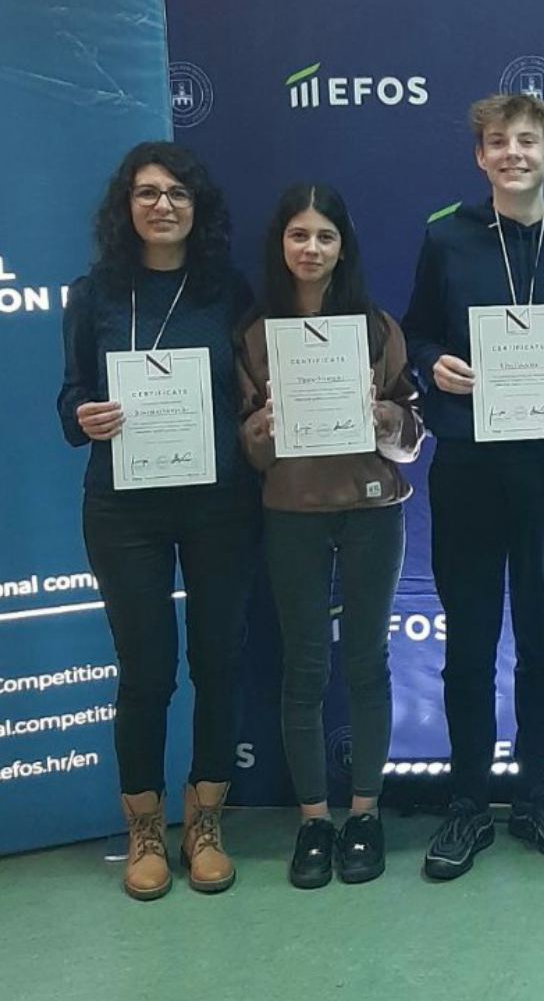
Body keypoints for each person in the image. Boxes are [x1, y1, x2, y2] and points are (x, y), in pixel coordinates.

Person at [401, 93, 544, 880]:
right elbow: (416, 330)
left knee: (541, 635)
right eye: (497, 141)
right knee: (469, 637)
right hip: (467, 461)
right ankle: (466, 802)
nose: (512, 153)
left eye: (527, 141)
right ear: (481, 157)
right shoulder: (446, 238)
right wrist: (433, 364)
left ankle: (537, 794)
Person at [56, 142, 257, 900]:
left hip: (219, 501)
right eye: (147, 192)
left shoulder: (227, 290)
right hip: (124, 505)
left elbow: (251, 390)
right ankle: (144, 829)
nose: (163, 205)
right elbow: (70, 396)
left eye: (177, 192)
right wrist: (85, 414)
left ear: (197, 207)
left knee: (218, 662)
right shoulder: (95, 293)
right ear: (126, 206)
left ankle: (204, 822)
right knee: (146, 671)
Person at [237, 184, 425, 888]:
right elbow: (249, 452)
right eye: (298, 235)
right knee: (306, 668)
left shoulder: (376, 329)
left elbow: (412, 437)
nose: (311, 249)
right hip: (293, 511)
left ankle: (365, 815)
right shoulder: (254, 335)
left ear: (343, 248)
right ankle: (314, 821)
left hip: (371, 507)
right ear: (280, 246)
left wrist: (385, 419)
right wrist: (262, 428)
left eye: (324, 236)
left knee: (368, 662)